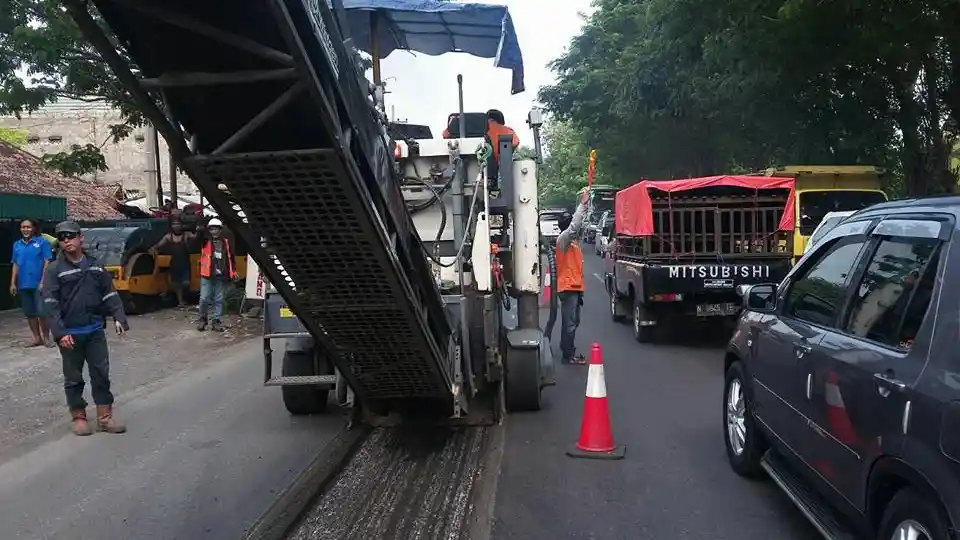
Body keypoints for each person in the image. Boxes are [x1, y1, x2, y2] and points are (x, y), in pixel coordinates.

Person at [42, 220, 129, 436]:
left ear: (81, 238)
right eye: (62, 237)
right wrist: (60, 333)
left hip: (95, 330)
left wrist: (119, 317)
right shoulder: (54, 270)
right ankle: (79, 416)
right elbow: (50, 305)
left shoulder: (96, 264)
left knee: (101, 374)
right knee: (73, 378)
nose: (66, 240)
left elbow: (109, 293)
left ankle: (104, 417)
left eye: (70, 236)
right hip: (70, 335)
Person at [556, 191, 589, 364]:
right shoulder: (563, 240)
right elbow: (575, 226)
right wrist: (582, 205)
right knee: (569, 324)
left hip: (574, 287)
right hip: (568, 288)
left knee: (573, 322)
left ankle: (567, 351)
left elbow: (579, 224)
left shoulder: (573, 243)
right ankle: (568, 355)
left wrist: (585, 206)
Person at [10, 218, 55, 348]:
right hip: (23, 283)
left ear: (34, 228)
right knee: (30, 313)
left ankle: (47, 338)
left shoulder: (42, 243)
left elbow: (47, 262)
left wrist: (43, 281)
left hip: (39, 284)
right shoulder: (16, 245)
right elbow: (15, 264)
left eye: (28, 227)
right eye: (23, 227)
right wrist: (13, 283)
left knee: (42, 312)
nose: (25, 229)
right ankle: (37, 338)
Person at [196, 217, 239, 332]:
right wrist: (200, 228)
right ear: (209, 230)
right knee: (204, 298)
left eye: (216, 229)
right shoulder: (205, 241)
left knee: (219, 299)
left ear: (220, 230)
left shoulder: (225, 242)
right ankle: (202, 319)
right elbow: (199, 237)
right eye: (212, 229)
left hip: (220, 275)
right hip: (207, 274)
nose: (214, 231)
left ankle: (216, 321)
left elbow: (231, 257)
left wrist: (233, 271)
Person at [149, 216, 197, 307]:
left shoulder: (186, 235)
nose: (176, 226)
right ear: (171, 226)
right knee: (176, 284)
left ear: (182, 225)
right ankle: (180, 302)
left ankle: (186, 298)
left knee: (185, 283)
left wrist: (199, 230)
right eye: (174, 224)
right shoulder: (168, 236)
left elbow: (195, 237)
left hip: (185, 263)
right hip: (174, 263)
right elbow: (158, 245)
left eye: (178, 224)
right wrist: (153, 248)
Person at [484, 109, 520, 185]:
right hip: (492, 173)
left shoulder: (476, 130)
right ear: (501, 121)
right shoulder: (506, 130)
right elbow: (515, 142)